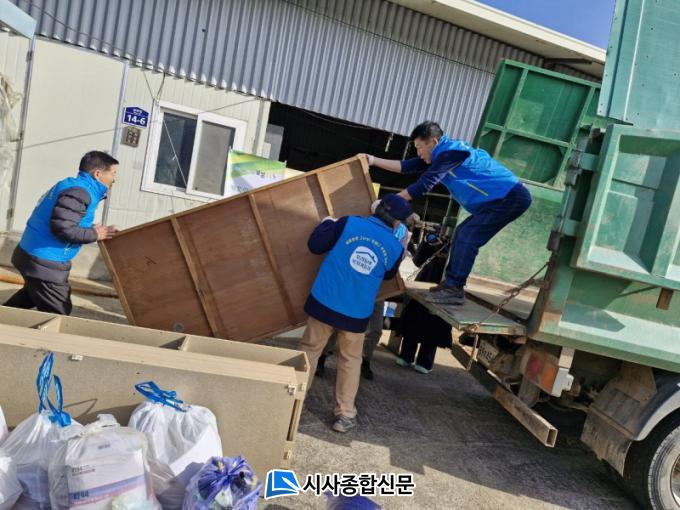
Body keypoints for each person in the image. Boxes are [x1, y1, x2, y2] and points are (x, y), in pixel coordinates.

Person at [363, 121, 532, 306]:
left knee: (467, 236)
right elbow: (406, 166)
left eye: (419, 147)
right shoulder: (439, 155)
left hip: (510, 197)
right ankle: (451, 285)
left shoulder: (451, 153)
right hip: (497, 200)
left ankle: (454, 289)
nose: (418, 152)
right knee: (462, 233)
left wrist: (387, 203)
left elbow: (424, 185)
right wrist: (372, 160)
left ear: (433, 141)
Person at [299, 194, 411, 433]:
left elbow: (315, 246)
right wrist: (397, 246)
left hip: (325, 301)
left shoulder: (348, 223)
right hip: (356, 313)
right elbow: (389, 274)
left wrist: (327, 223)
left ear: (376, 208)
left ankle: (294, 403)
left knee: (310, 351)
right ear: (397, 223)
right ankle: (345, 414)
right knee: (350, 360)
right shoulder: (394, 246)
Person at [4, 151, 119, 315]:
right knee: (59, 313)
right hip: (44, 262)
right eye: (113, 173)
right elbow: (63, 229)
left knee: (29, 297)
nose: (114, 179)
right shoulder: (79, 192)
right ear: (98, 174)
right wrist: (96, 234)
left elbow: (65, 219)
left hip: (32, 255)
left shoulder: (72, 185)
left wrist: (91, 228)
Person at [315, 221, 411, 381]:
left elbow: (398, 258)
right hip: (351, 281)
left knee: (375, 328)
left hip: (376, 286)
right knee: (335, 323)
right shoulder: (368, 221)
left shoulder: (402, 231)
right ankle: (322, 357)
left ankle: (365, 360)